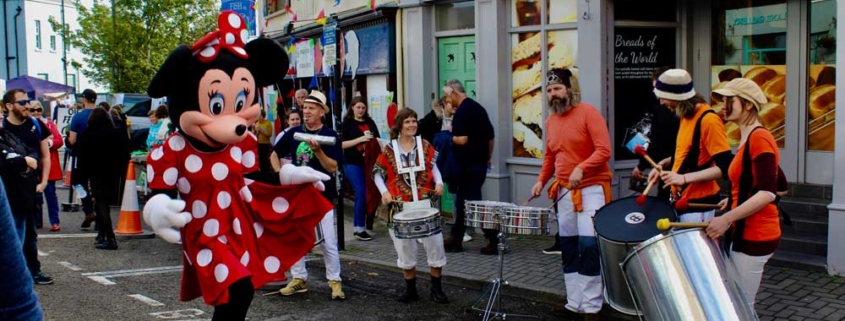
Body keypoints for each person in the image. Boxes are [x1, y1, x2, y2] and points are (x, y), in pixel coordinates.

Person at [530, 68, 611, 320]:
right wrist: (541, 181)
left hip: (591, 189)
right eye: (549, 90)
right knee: (568, 246)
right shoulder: (551, 120)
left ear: (569, 89)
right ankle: (574, 302)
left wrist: (581, 167)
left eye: (557, 88)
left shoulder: (589, 113)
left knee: (588, 246)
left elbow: (604, 150)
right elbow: (550, 156)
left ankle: (592, 306)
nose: (553, 93)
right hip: (563, 191)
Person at [705, 78, 781, 308]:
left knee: (740, 306)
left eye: (730, 100)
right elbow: (779, 181)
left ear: (748, 105)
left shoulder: (759, 137)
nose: (723, 105)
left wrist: (727, 218)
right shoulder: (748, 138)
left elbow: (769, 191)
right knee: (737, 303)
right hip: (746, 232)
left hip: (756, 234)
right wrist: (736, 198)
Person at [274, 90, 345, 300]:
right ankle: (298, 279)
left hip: (321, 197)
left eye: (311, 108)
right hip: (298, 195)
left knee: (328, 242)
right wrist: (282, 174)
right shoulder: (293, 133)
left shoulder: (330, 136)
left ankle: (335, 281)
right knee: (296, 238)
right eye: (305, 107)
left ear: (322, 112)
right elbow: (274, 154)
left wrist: (318, 151)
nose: (306, 111)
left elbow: (332, 168)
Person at [372, 108, 448, 303]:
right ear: (400, 125)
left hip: (426, 204)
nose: (412, 124)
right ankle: (411, 290)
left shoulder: (424, 145)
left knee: (435, 246)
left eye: (414, 121)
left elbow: (434, 168)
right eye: (407, 122)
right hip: (400, 207)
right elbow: (377, 174)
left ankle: (436, 289)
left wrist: (439, 182)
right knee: (405, 249)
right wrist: (384, 192)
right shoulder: (389, 149)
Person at [648, 69, 732, 223]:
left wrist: (684, 178)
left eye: (664, 97)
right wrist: (663, 164)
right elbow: (689, 154)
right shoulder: (685, 115)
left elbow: (725, 167)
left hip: (699, 205)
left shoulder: (709, 120)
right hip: (681, 201)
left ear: (676, 96)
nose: (661, 102)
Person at [2, 89, 54, 285]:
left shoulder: (35, 124)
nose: (28, 106)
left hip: (30, 187)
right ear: (9, 106)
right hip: (7, 187)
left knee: (30, 234)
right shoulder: (2, 126)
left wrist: (44, 182)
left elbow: (45, 156)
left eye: (28, 101)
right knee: (10, 232)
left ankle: (33, 271)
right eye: (22, 102)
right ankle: (13, 274)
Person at [441, 79, 496, 254]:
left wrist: (447, 138)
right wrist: (488, 157)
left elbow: (462, 139)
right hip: (478, 164)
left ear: (454, 93)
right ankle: (456, 239)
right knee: (463, 203)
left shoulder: (463, 111)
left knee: (473, 205)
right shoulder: (478, 108)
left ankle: (495, 240)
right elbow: (490, 137)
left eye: (448, 97)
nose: (448, 101)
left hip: (467, 167)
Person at [76, 107, 131, 249]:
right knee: (103, 203)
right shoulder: (114, 133)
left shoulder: (87, 135)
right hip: (112, 173)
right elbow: (124, 151)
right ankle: (101, 234)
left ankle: (110, 238)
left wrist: (80, 177)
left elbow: (82, 159)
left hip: (96, 173)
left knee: (101, 204)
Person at [632, 66, 679, 202]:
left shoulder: (664, 112)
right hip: (670, 167)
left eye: (658, 89)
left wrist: (642, 165)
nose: (657, 95)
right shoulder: (663, 110)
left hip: (674, 172)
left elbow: (658, 141)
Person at [0, 178, 44, 321]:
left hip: (23, 199)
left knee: (27, 237)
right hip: (17, 197)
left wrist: (43, 182)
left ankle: (34, 268)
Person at [341, 96, 380, 241]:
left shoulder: (370, 122)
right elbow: (341, 144)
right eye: (358, 107)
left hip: (369, 162)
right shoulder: (347, 123)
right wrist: (361, 140)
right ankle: (358, 228)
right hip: (352, 163)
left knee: (372, 192)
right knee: (361, 192)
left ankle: (368, 222)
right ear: (352, 107)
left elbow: (377, 139)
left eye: (363, 108)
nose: (361, 110)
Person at [30, 101, 64, 232]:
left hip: (48, 166)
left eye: (38, 110)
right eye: (33, 110)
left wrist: (48, 142)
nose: (36, 112)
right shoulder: (26, 125)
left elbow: (59, 140)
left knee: (50, 194)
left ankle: (54, 221)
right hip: (33, 166)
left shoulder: (49, 124)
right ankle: (37, 221)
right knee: (35, 196)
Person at [68, 89, 98, 229]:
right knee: (98, 185)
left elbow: (72, 140)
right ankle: (100, 214)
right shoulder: (103, 115)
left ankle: (88, 209)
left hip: (83, 155)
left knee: (79, 183)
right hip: (100, 156)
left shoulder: (78, 118)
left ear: (84, 100)